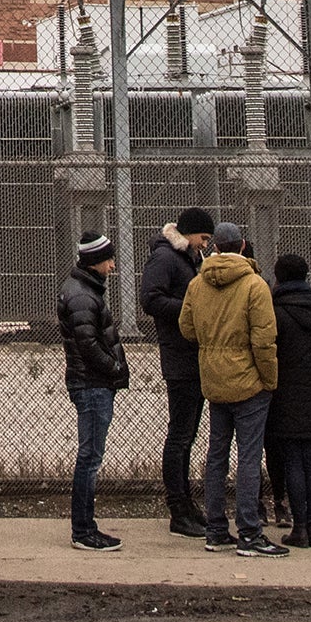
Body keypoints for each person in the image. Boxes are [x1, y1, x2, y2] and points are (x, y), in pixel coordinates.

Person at [179, 221, 284, 557]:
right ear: (242, 247)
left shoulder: (198, 284)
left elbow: (186, 328)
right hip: (249, 381)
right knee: (249, 458)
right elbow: (264, 341)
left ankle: (216, 530)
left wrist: (212, 346)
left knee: (216, 456)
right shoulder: (255, 285)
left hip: (214, 380)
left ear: (215, 248)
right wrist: (269, 380)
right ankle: (250, 532)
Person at [142, 206, 215, 536]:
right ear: (189, 233)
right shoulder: (167, 258)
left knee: (185, 435)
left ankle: (185, 504)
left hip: (189, 357)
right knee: (180, 436)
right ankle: (178, 507)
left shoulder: (184, 259)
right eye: (203, 237)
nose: (205, 244)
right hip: (180, 357)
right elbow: (150, 299)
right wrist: (190, 311)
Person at [57, 231, 129, 552]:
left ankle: (85, 527)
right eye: (109, 260)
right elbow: (88, 345)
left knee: (89, 456)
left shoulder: (83, 290)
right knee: (90, 458)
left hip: (90, 383)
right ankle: (83, 530)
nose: (113, 266)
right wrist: (113, 368)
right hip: (92, 384)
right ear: (95, 262)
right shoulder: (84, 296)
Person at [268, 254, 311, 549]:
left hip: (285, 392)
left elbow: (272, 350)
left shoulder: (276, 311)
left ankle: (299, 527)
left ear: (279, 277)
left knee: (292, 459)